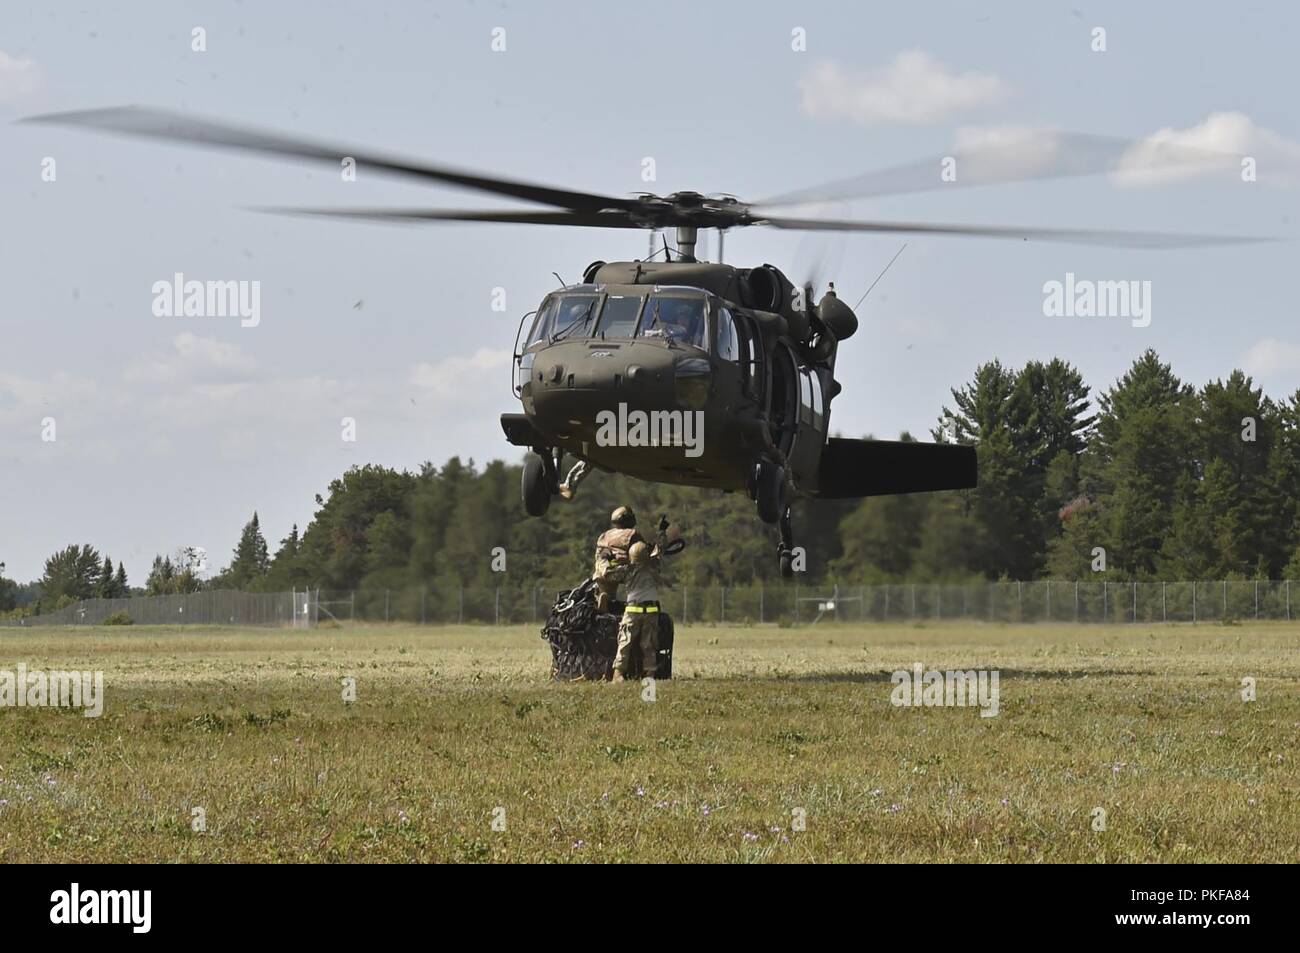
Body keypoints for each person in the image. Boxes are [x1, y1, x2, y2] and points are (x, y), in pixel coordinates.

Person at [612, 539, 662, 682]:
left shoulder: (627, 570)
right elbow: (659, 551)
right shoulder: (654, 567)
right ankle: (649, 673)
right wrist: (660, 535)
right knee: (649, 644)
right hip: (651, 611)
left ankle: (618, 673)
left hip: (632, 611)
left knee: (624, 642)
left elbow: (608, 573)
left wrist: (611, 558)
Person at [591, 506, 640, 614]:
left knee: (608, 595)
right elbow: (641, 551)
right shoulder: (632, 534)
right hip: (621, 571)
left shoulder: (605, 535)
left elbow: (600, 554)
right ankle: (635, 604)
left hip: (602, 572)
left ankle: (602, 600)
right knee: (641, 579)